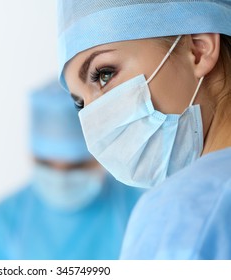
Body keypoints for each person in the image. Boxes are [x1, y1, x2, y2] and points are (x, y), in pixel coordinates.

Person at [57, 0, 231, 259]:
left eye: (104, 75)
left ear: (198, 49)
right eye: (80, 104)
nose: (96, 119)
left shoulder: (182, 217)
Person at [0, 80, 142, 260]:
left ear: (102, 156)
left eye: (76, 166)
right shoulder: (2, 224)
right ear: (32, 156)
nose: (60, 178)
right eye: (46, 164)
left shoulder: (139, 209)